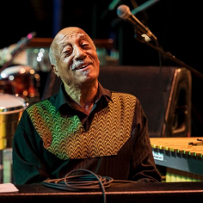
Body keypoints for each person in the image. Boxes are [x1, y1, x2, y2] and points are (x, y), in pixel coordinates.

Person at [12, 26, 162, 185]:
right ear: (55, 69)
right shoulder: (35, 118)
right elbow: (31, 190)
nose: (80, 54)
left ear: (96, 56)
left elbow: (147, 178)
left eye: (85, 46)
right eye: (67, 52)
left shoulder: (129, 107)